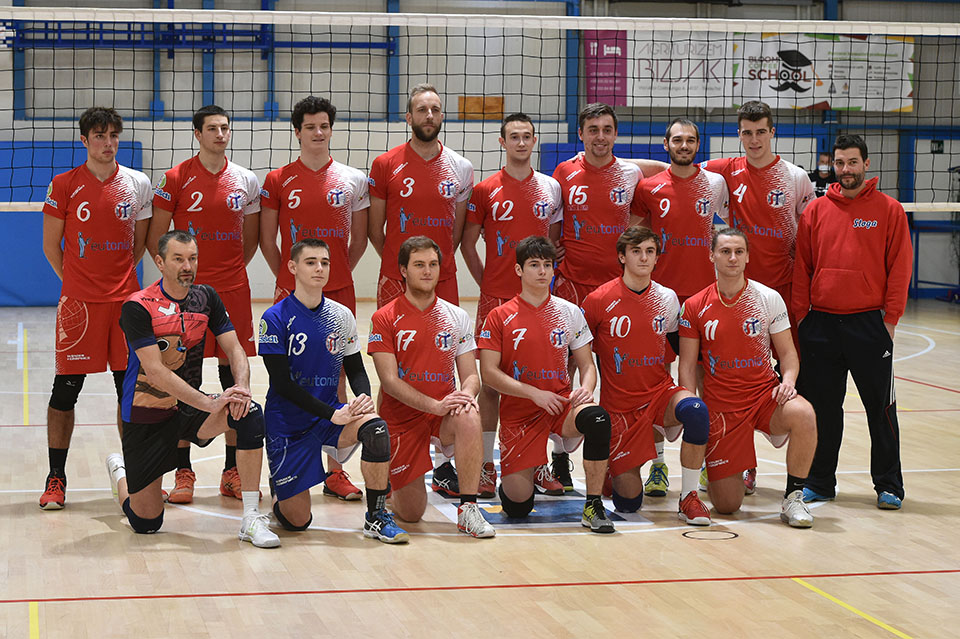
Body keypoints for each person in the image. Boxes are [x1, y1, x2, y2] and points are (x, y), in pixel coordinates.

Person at [104, 230, 278, 548]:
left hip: (187, 408)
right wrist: (209, 402)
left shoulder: (206, 297)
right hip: (146, 414)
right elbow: (155, 371)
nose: (187, 266)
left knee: (249, 413)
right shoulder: (138, 306)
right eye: (178, 259)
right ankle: (120, 472)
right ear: (160, 262)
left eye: (192, 258)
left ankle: (251, 518)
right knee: (145, 523)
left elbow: (235, 348)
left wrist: (241, 388)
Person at [39, 106, 153, 510]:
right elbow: (50, 245)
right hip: (80, 306)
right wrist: (76, 282)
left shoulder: (138, 184)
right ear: (84, 140)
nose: (108, 143)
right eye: (100, 136)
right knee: (65, 391)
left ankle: (137, 474)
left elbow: (139, 245)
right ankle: (56, 477)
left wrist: (117, 283)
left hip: (126, 305)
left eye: (113, 135)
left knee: (129, 392)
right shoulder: (64, 184)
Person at [699, 100, 815, 495]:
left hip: (782, 294)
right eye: (747, 133)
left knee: (787, 380)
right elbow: (678, 168)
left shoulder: (795, 177)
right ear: (739, 134)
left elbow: (811, 232)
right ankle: (738, 462)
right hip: (735, 292)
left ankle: (802, 476)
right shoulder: (726, 171)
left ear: (772, 132)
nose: (754, 139)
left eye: (760, 131)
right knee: (729, 380)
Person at [259, 239, 407, 543]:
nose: (319, 268)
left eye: (324, 262)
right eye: (311, 262)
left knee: (376, 428)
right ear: (292, 267)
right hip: (288, 423)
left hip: (330, 419)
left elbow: (355, 369)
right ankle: (280, 487)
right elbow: (282, 383)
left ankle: (376, 516)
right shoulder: (274, 318)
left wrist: (363, 397)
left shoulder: (341, 316)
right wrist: (331, 413)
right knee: (297, 522)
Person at [549, 102, 665, 490]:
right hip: (572, 287)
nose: (600, 137)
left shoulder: (630, 173)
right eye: (593, 130)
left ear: (616, 134)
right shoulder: (564, 172)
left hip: (619, 290)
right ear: (580, 134)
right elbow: (553, 222)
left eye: (607, 130)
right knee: (564, 374)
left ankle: (647, 459)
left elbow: (664, 172)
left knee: (629, 373)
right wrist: (554, 248)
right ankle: (560, 459)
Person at [149, 105, 261, 504]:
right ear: (197, 134)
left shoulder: (246, 180)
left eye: (225, 128)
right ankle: (183, 471)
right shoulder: (175, 178)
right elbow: (159, 237)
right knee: (184, 380)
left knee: (234, 380)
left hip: (233, 291)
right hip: (185, 294)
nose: (220, 134)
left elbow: (249, 240)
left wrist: (226, 274)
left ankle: (232, 471)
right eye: (212, 128)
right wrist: (180, 281)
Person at [793, 135, 912, 510]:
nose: (845, 169)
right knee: (823, 410)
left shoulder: (889, 210)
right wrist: (802, 318)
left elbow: (900, 268)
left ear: (866, 164)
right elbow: (802, 268)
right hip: (822, 325)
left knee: (881, 409)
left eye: (852, 162)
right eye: (839, 163)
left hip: (869, 325)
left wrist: (890, 320)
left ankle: (889, 485)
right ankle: (820, 482)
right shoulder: (815, 211)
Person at [260, 96, 369, 502]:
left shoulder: (352, 179)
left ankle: (336, 471)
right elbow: (268, 241)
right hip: (291, 290)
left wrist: (330, 276)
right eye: (310, 127)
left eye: (324, 125)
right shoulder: (278, 180)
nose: (318, 132)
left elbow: (359, 241)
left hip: (337, 290)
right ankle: (292, 454)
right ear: (297, 132)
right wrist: (291, 279)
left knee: (337, 377)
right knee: (293, 374)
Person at [368, 84, 474, 495]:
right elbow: (376, 229)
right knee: (392, 370)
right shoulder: (385, 164)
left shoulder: (460, 167)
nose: (429, 115)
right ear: (408, 117)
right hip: (396, 279)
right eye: (421, 109)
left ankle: (445, 462)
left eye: (435, 109)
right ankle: (386, 451)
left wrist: (430, 268)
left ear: (441, 116)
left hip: (441, 277)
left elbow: (457, 230)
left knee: (443, 364)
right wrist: (402, 269)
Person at [678, 228, 817, 528]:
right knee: (728, 506)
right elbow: (687, 366)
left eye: (739, 252)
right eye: (725, 251)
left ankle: (794, 498)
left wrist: (788, 381)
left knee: (804, 413)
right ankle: (721, 468)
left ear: (748, 257)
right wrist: (691, 407)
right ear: (712, 256)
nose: (733, 258)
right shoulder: (694, 306)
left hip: (764, 397)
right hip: (722, 407)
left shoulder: (768, 298)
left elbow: (788, 355)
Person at [477, 235, 616, 533]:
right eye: (534, 265)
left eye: (547, 265)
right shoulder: (499, 316)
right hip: (520, 414)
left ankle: (593, 505)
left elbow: (587, 365)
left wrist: (586, 387)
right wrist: (533, 393)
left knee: (597, 418)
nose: (542, 271)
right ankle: (528, 469)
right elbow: (488, 373)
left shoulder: (568, 312)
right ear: (518, 270)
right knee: (517, 507)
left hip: (560, 406)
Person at [460, 112, 563, 499]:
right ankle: (487, 465)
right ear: (502, 142)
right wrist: (487, 282)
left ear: (534, 140)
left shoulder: (551, 188)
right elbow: (467, 244)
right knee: (490, 384)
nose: (521, 142)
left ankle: (538, 463)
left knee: (540, 381)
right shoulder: (485, 190)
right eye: (514, 137)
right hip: (496, 298)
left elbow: (551, 246)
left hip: (539, 302)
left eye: (527, 136)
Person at [581, 226, 712, 525]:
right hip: (620, 408)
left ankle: (689, 497)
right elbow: (578, 351)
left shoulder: (667, 299)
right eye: (636, 251)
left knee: (696, 410)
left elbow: (682, 350)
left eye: (650, 252)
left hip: (659, 395)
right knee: (628, 503)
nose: (643, 258)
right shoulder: (598, 300)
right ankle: (612, 469)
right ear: (622, 257)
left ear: (656, 257)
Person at [367, 236, 495, 538]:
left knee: (469, 414)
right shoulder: (384, 317)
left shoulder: (456, 316)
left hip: (443, 414)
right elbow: (389, 381)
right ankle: (390, 482)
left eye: (433, 264)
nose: (427, 271)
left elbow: (471, 376)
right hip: (402, 419)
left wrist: (466, 395)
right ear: (403, 270)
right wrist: (434, 405)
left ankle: (468, 509)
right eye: (419, 265)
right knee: (412, 514)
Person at [632, 118, 728, 497]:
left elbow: (735, 226)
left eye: (690, 140)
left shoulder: (715, 184)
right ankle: (658, 465)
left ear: (698, 145)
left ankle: (705, 463)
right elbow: (633, 235)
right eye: (677, 140)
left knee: (706, 379)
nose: (683, 145)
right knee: (657, 380)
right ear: (666, 144)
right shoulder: (649, 187)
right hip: (661, 300)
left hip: (704, 300)